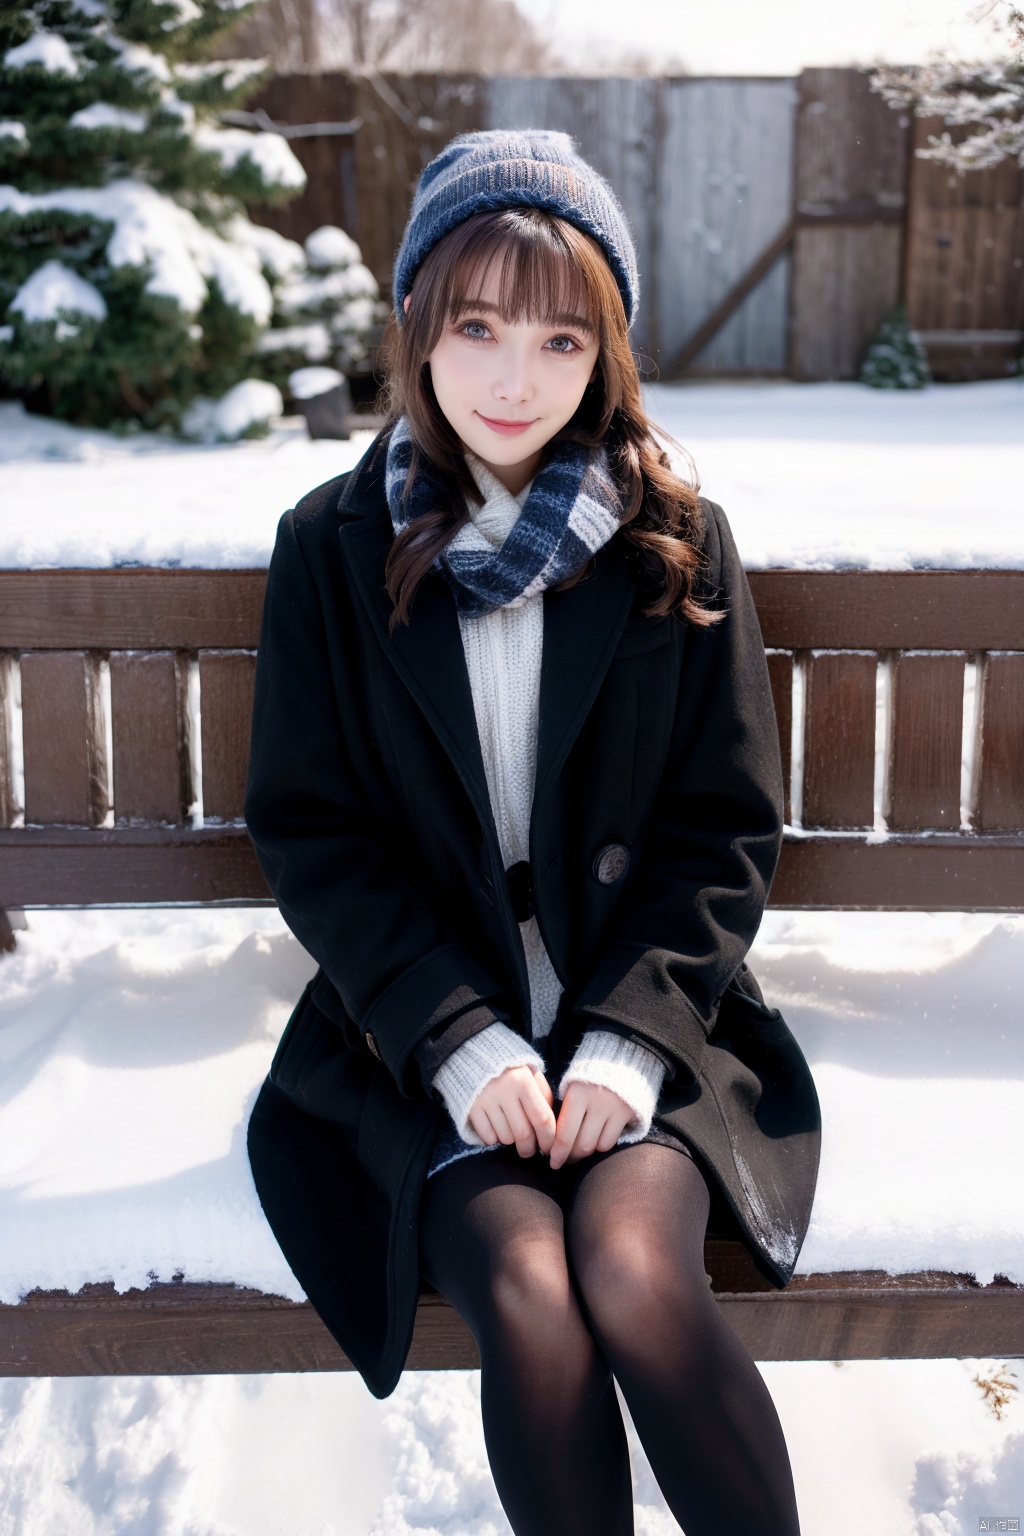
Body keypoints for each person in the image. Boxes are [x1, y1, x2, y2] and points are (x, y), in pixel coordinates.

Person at [245, 129, 820, 1536]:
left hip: (649, 1026)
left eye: (563, 340)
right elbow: (313, 833)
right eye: (480, 327)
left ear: (605, 355)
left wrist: (625, 1043)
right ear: (419, 328)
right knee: (533, 1299)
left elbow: (726, 829)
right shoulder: (331, 548)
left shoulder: (673, 542)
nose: (517, 379)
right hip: (421, 1039)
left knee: (631, 1275)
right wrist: (454, 1036)